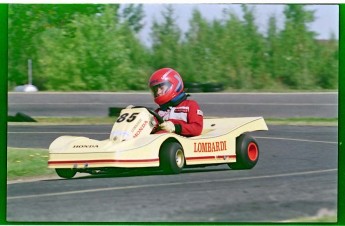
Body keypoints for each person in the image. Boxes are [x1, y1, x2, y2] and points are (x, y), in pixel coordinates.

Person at [148, 68, 203, 137]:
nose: (158, 92)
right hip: (159, 142)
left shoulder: (190, 105)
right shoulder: (158, 112)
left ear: (174, 85)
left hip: (179, 142)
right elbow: (148, 129)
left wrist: (175, 128)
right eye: (156, 90)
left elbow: (197, 128)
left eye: (161, 88)